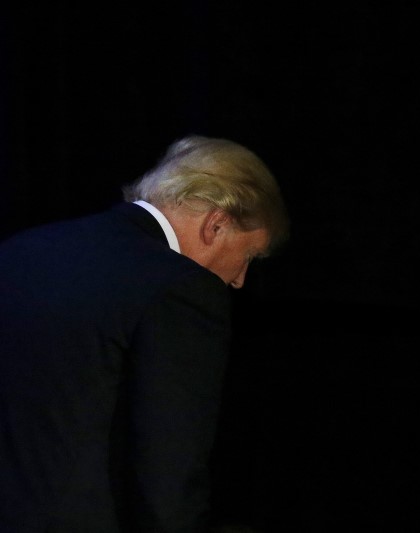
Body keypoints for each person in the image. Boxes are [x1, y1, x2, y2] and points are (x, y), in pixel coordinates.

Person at [0, 135, 289, 532]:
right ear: (216, 223)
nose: (239, 279)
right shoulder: (180, 288)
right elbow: (168, 468)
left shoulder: (21, 250)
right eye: (249, 255)